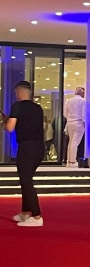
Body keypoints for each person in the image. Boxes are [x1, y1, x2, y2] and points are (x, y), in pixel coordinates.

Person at [2, 81, 46, 226]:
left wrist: (4, 122)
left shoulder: (17, 106)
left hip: (27, 147)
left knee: (26, 181)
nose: (16, 95)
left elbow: (10, 128)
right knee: (26, 179)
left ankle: (37, 216)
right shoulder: (38, 108)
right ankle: (25, 212)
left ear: (19, 92)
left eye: (16, 93)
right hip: (39, 147)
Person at [64, 87, 86, 167]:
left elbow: (65, 113)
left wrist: (69, 118)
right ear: (82, 93)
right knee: (75, 142)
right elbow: (84, 114)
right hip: (78, 122)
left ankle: (69, 161)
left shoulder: (69, 101)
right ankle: (73, 161)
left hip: (70, 122)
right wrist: (84, 123)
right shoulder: (83, 101)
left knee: (70, 142)